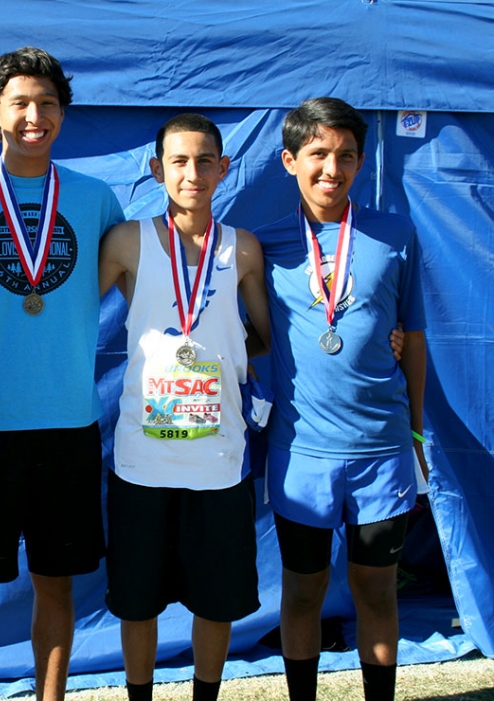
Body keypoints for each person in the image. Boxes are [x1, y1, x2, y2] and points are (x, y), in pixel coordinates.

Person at [0, 47, 126, 701]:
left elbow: (141, 276)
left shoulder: (98, 199)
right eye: (19, 103)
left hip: (68, 419)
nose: (34, 115)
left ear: (63, 114)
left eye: (47, 103)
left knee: (56, 580)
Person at [255, 97, 428, 701]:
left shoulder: (396, 234)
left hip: (382, 449)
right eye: (319, 154)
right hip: (301, 452)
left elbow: (415, 336)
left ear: (361, 161)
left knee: (376, 591)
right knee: (303, 592)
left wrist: (418, 432)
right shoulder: (262, 246)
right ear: (289, 160)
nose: (333, 168)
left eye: (347, 155)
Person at [98, 114, 270, 701]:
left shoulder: (242, 248)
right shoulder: (126, 241)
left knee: (217, 598)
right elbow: (67, 315)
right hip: (141, 459)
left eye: (204, 161)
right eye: (178, 161)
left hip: (218, 459)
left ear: (224, 168)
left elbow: (266, 335)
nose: (191, 173)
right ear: (156, 170)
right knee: (136, 600)